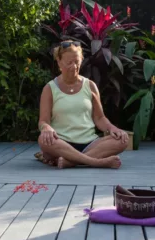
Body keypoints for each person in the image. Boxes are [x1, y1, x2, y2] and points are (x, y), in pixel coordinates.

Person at [36, 40, 127, 169]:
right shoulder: (50, 88)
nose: (74, 66)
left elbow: (99, 118)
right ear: (59, 62)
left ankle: (71, 161)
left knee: (123, 140)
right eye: (69, 63)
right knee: (43, 140)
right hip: (62, 143)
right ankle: (97, 162)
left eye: (77, 62)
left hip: (89, 143)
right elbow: (43, 121)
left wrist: (113, 129)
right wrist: (46, 128)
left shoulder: (90, 86)